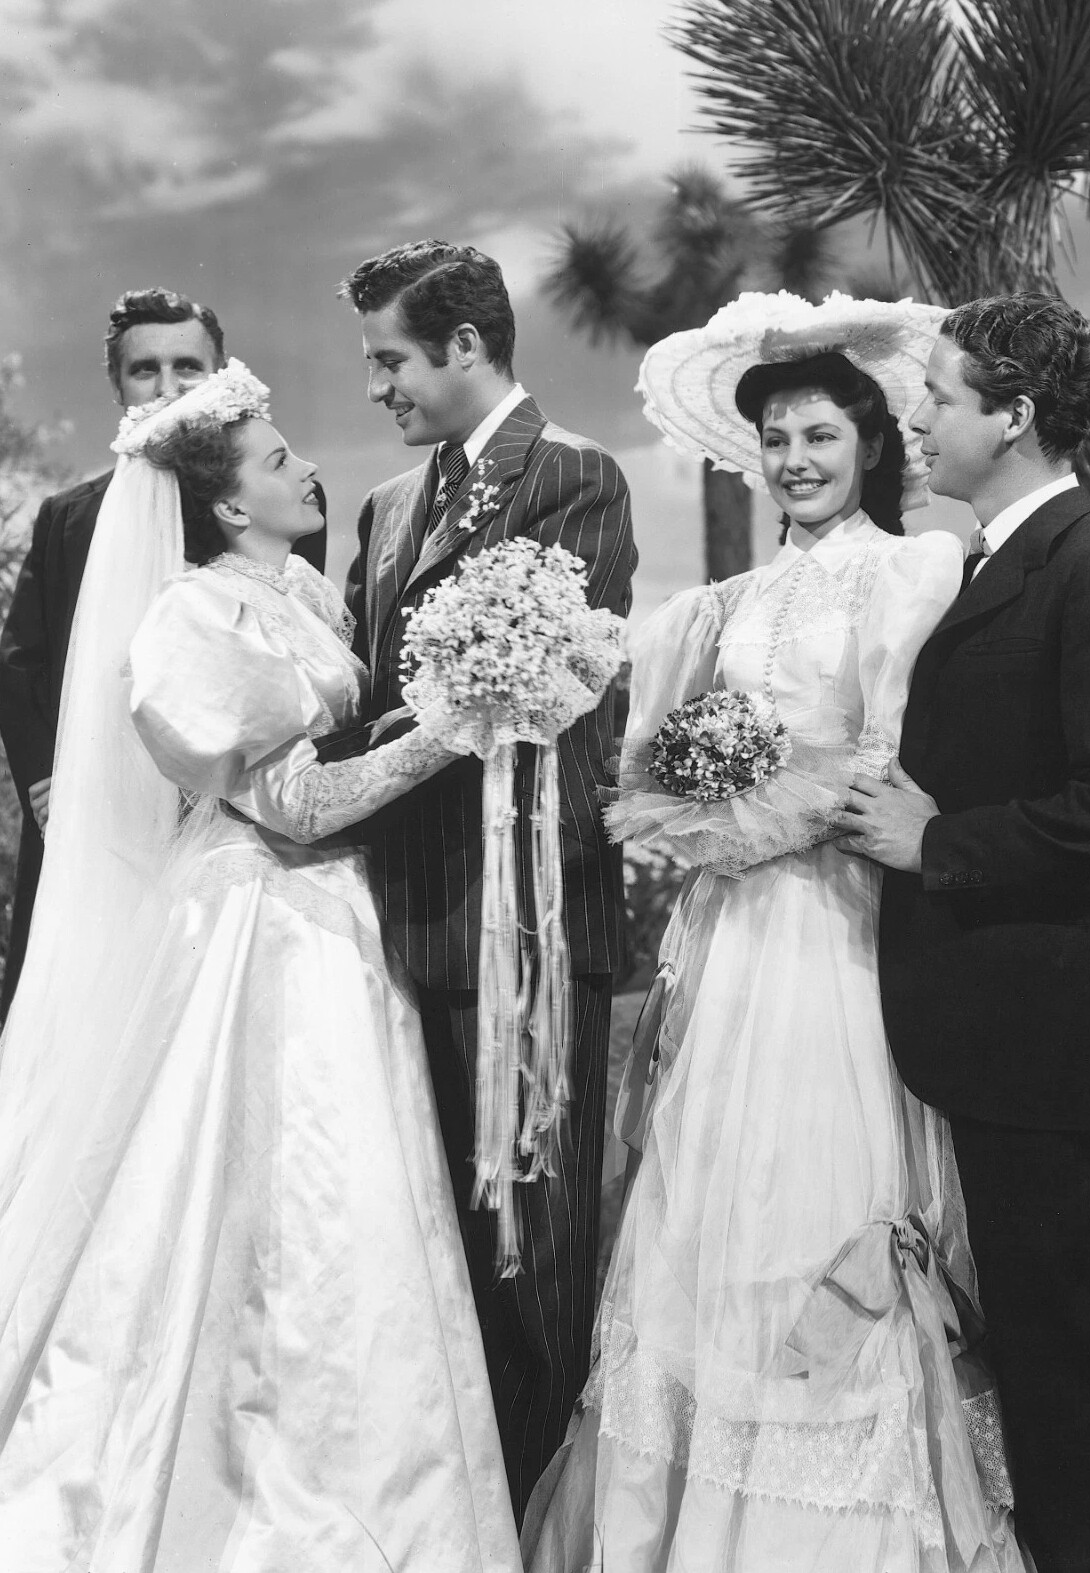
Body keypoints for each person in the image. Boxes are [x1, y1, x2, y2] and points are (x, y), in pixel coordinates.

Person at [522, 291, 1090, 1572]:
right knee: (738, 1223)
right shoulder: (752, 600)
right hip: (759, 940)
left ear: (1001, 416)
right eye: (777, 437)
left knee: (1011, 1309)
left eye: (841, 429)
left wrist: (918, 837)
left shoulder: (986, 568)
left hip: (884, 946)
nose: (801, 456)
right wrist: (703, 808)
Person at [0, 363, 520, 1571]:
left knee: (348, 1211)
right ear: (230, 504)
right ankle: (255, 1487)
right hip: (267, 926)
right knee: (290, 1201)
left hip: (333, 912)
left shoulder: (294, 592)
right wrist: (454, 728)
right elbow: (295, 804)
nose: (310, 468)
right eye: (281, 460)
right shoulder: (196, 617)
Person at [838, 293, 1090, 1573]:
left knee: (1058, 1359)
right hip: (979, 1029)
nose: (918, 419)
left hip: (1043, 1040)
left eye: (940, 396)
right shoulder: (993, 559)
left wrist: (941, 842)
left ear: (1015, 416)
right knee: (1029, 1350)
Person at [338, 240, 636, 1518]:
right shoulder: (385, 507)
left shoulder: (574, 477)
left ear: (466, 344)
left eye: (391, 359)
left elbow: (553, 692)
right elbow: (365, 692)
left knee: (537, 1255)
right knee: (438, 1254)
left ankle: (545, 1514)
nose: (377, 389)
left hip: (524, 918)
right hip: (401, 923)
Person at [0, 286, 328, 1017]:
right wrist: (51, 778)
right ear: (117, 385)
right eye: (145, 369)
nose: (169, 385)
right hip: (93, 810)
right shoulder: (68, 516)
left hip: (230, 810)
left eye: (189, 366)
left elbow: (293, 644)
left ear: (221, 372)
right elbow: (21, 662)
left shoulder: (276, 495)